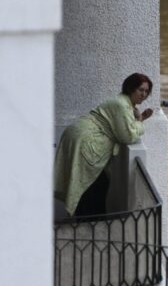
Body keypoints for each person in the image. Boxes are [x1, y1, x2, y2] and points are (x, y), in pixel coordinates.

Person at [54, 73, 154, 216]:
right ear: (130, 88)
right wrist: (141, 122)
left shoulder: (123, 103)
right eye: (140, 90)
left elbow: (125, 126)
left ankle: (88, 222)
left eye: (146, 91)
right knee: (93, 186)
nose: (143, 94)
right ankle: (90, 224)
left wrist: (140, 118)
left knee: (95, 185)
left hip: (80, 136)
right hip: (86, 140)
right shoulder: (122, 105)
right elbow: (128, 136)